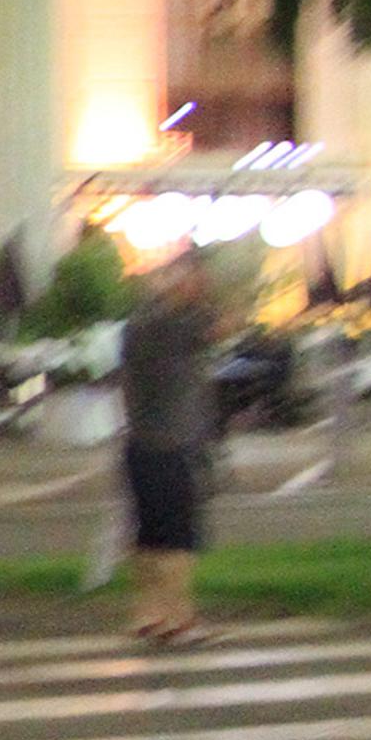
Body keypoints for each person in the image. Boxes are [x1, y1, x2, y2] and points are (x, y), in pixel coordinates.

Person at [121, 249, 223, 645]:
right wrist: (194, 288)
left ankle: (147, 613)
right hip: (174, 444)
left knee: (148, 535)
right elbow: (219, 323)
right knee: (178, 539)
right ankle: (179, 618)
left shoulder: (137, 326)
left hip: (139, 443)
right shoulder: (176, 328)